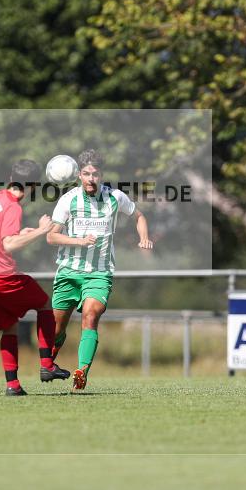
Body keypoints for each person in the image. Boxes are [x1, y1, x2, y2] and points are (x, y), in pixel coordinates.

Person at [47, 149, 153, 391]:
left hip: (99, 272)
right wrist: (80, 241)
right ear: (79, 175)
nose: (90, 179)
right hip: (68, 272)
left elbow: (139, 216)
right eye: (86, 174)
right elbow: (51, 237)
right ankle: (48, 363)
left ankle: (81, 372)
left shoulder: (115, 197)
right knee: (56, 329)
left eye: (95, 174)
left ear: (102, 174)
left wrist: (144, 238)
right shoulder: (68, 200)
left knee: (90, 316)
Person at [0, 160, 70, 396]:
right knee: (45, 303)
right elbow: (9, 244)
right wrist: (40, 231)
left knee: (10, 325)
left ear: (11, 176)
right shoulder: (14, 207)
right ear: (33, 185)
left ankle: (13, 385)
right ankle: (47, 366)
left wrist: (21, 232)